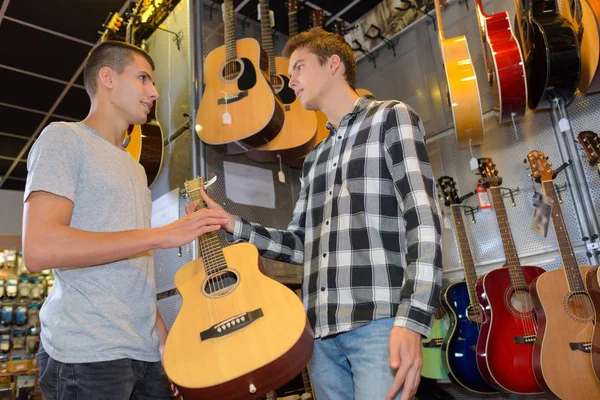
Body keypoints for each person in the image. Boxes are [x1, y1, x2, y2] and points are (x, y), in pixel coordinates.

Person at [195, 28, 442, 400]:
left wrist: (414, 320)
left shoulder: (391, 118)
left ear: (333, 64)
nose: (290, 80)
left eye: (298, 67)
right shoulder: (315, 159)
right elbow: (301, 245)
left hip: (379, 326)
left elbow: (423, 222)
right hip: (319, 337)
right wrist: (232, 223)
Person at [21, 40, 228, 400]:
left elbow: (136, 272)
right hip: (88, 353)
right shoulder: (64, 139)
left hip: (143, 354)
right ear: (107, 78)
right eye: (143, 78)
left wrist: (165, 348)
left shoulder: (134, 169)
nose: (154, 91)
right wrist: (161, 236)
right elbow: (40, 248)